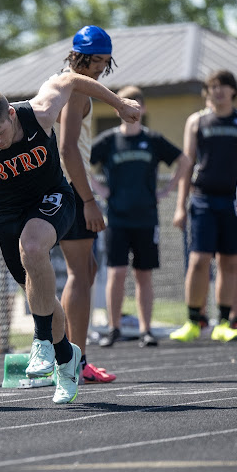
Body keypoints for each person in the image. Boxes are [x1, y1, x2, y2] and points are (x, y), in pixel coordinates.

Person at [0, 72, 140, 404]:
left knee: (33, 246)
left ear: (11, 114)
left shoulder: (39, 111)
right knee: (42, 297)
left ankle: (41, 343)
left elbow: (71, 79)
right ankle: (67, 358)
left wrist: (119, 103)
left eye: (0, 134)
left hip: (53, 198)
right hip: (8, 215)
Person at [90, 86, 189, 348]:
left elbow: (185, 160)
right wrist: (99, 189)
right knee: (117, 273)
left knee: (143, 275)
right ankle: (114, 328)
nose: (132, 111)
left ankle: (146, 330)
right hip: (117, 218)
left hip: (146, 217)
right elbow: (75, 158)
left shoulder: (153, 139)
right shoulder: (108, 140)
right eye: (125, 105)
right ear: (117, 108)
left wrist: (167, 189)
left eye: (137, 106)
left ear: (143, 108)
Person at [53, 26, 115, 384]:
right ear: (80, 56)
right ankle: (72, 358)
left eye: (106, 61)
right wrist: (89, 200)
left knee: (87, 270)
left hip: (62, 184)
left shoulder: (63, 82)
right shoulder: (75, 88)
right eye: (96, 61)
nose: (101, 68)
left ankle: (69, 353)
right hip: (70, 187)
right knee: (79, 272)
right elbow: (67, 148)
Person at [170, 70, 237, 343]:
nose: (218, 91)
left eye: (223, 86)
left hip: (233, 199)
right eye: (212, 87)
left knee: (229, 261)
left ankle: (224, 322)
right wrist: (180, 206)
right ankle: (193, 320)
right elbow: (187, 163)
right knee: (198, 260)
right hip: (202, 198)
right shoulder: (197, 121)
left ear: (232, 91)